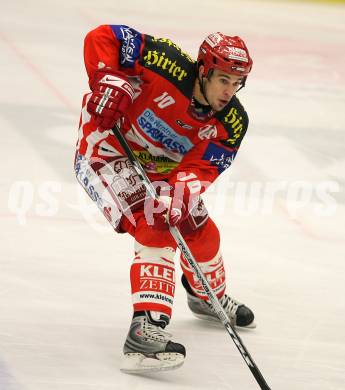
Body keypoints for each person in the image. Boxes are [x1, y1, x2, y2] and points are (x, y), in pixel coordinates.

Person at [75, 24, 255, 373]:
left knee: (201, 230)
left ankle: (206, 295)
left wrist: (182, 188)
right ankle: (145, 331)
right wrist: (107, 78)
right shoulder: (165, 62)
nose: (229, 92)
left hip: (161, 167)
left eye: (237, 83)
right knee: (155, 222)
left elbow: (203, 166)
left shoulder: (233, 121)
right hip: (108, 149)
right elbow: (103, 37)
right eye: (223, 80)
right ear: (203, 70)